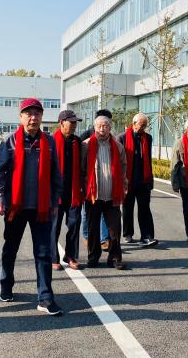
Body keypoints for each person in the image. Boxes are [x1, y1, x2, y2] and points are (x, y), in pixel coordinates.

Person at [0, 98, 64, 316]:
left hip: (42, 207)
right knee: (10, 248)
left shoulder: (48, 142)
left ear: (42, 117)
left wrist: (54, 201)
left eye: (37, 114)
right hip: (16, 206)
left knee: (43, 252)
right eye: (28, 114)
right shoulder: (10, 141)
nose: (33, 118)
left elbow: (56, 174)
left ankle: (45, 297)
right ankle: (6, 285)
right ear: (21, 117)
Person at [81, 115, 128, 269]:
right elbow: (81, 169)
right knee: (93, 229)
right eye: (99, 126)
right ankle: (93, 257)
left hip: (112, 195)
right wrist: (83, 187)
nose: (102, 129)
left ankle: (114, 258)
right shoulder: (86, 145)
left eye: (106, 126)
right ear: (94, 127)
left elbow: (123, 167)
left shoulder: (117, 146)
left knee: (115, 229)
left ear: (110, 128)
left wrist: (124, 186)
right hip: (93, 196)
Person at [117, 112, 158, 247]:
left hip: (143, 180)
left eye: (145, 125)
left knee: (145, 209)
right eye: (141, 125)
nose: (143, 128)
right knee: (127, 209)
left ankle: (147, 236)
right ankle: (128, 233)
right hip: (128, 180)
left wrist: (150, 180)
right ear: (134, 124)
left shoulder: (148, 138)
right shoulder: (122, 138)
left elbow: (148, 160)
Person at [51, 110, 84, 271]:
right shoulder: (51, 141)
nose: (74, 125)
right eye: (71, 122)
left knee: (74, 224)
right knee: (54, 226)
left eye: (75, 122)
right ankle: (53, 258)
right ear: (61, 123)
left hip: (73, 191)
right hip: (56, 192)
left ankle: (70, 256)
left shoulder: (77, 142)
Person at [80, 109, 111, 249]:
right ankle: (87, 236)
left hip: (105, 185)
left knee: (104, 214)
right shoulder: (86, 137)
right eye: (100, 124)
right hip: (90, 185)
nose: (103, 128)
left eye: (107, 123)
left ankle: (104, 239)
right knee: (86, 214)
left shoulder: (112, 140)